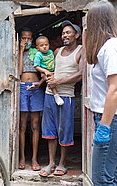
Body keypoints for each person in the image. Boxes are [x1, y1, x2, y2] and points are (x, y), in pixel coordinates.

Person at [85, 1, 117, 185]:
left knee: (101, 180)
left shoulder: (112, 47)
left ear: (95, 23)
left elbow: (115, 88)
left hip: (114, 121)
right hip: (116, 119)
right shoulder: (110, 46)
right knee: (112, 177)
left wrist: (104, 127)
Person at [39, 20, 83, 177]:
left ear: (77, 35)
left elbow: (80, 75)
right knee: (50, 129)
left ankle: (62, 163)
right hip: (50, 94)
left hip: (66, 96)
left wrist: (59, 81)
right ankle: (51, 163)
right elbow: (49, 69)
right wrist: (44, 79)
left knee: (64, 129)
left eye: (68, 32)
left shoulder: (80, 51)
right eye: (63, 33)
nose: (65, 35)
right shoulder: (57, 51)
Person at [18, 27, 45, 171]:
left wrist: (39, 84)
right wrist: (21, 51)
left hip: (36, 88)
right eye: (24, 38)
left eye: (29, 38)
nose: (26, 41)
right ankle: (22, 157)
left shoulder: (38, 53)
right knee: (22, 125)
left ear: (32, 39)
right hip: (22, 88)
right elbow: (19, 71)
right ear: (20, 39)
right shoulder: (17, 52)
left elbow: (45, 70)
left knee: (35, 125)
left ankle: (34, 158)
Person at [34, 35, 64, 105]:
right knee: (50, 80)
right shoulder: (38, 55)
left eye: (46, 45)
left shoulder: (50, 52)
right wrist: (44, 71)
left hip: (53, 70)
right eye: (41, 45)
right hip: (45, 72)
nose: (44, 46)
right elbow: (36, 66)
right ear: (37, 48)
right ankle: (56, 96)